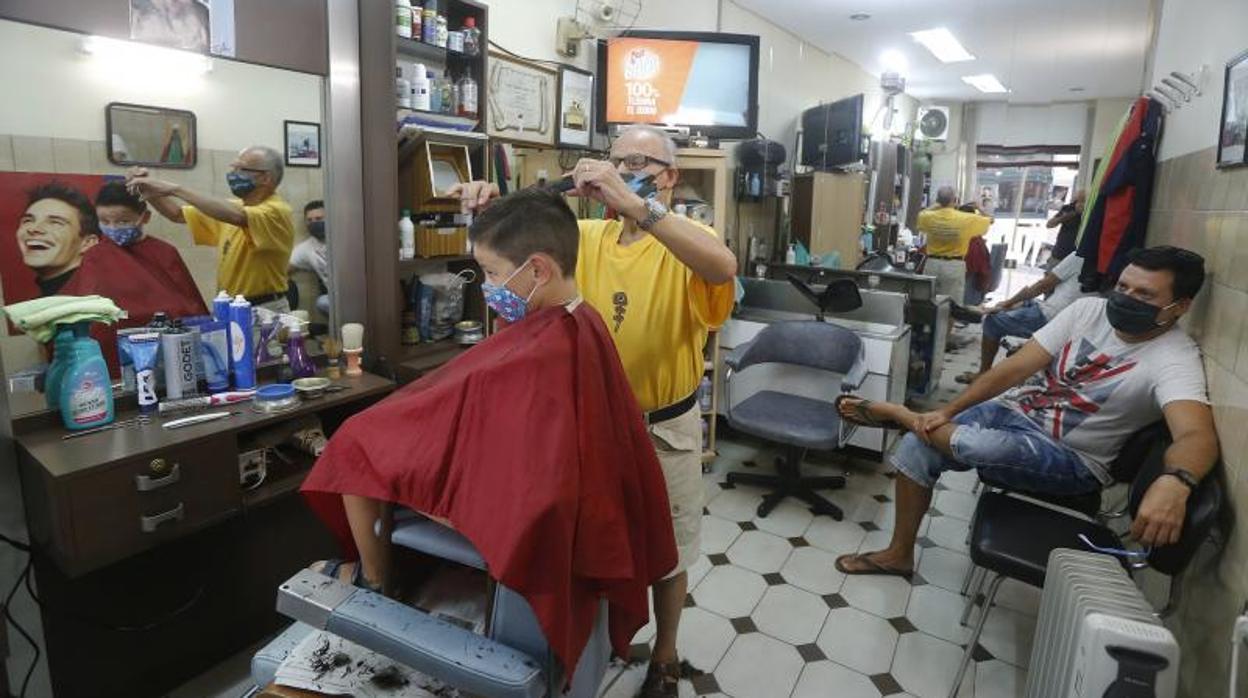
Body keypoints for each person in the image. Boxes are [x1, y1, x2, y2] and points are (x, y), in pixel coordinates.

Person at [301, 188, 677, 686]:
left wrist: (441, 498)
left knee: (354, 443)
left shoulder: (546, 347)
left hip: (535, 510)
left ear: (538, 270)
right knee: (373, 439)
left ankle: (374, 580)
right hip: (565, 497)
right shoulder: (580, 321)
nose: (488, 286)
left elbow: (525, 463)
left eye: (494, 274)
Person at [450, 124, 737, 697]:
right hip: (593, 424)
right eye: (617, 159)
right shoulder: (588, 236)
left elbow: (722, 266)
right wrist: (484, 203)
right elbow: (522, 247)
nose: (625, 167)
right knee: (604, 540)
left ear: (670, 176)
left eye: (641, 162)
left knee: (669, 550)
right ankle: (608, 639)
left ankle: (666, 654)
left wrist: (636, 203)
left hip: (664, 427)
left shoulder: (687, 238)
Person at [834, 246, 1218, 578]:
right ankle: (899, 555)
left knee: (978, 447)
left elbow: (1196, 436)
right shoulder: (1088, 311)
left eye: (1144, 295)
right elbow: (1015, 369)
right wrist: (948, 410)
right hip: (1015, 411)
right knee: (918, 449)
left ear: (1179, 307)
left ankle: (903, 417)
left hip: (1071, 458)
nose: (1126, 298)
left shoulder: (1174, 358)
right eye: (1123, 287)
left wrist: (1176, 481)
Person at [126, 145, 295, 313]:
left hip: (263, 309)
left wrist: (175, 189)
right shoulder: (234, 208)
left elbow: (237, 216)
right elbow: (176, 214)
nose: (233, 174)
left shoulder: (276, 211)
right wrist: (147, 189)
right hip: (229, 306)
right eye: (233, 168)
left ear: (265, 178)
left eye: (241, 169)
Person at [955, 252, 1089, 384]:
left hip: (1052, 316)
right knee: (1020, 303)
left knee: (992, 322)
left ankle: (983, 373)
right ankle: (998, 310)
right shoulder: (1105, 261)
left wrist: (1008, 302)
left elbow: (1042, 285)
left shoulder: (1080, 256)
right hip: (1073, 317)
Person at [15, 183, 98, 296]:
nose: (34, 229)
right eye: (28, 220)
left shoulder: (100, 300)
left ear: (87, 243)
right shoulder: (46, 300)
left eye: (55, 222)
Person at [288, 200, 330, 315]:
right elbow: (283, 269)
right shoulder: (307, 248)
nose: (314, 223)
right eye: (309, 220)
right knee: (322, 302)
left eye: (319, 219)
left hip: (361, 294)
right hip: (335, 299)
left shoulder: (348, 236)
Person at [1048, 189, 1088, 262]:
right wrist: (1073, 213)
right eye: (1080, 200)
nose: (1081, 203)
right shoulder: (1068, 208)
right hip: (1060, 253)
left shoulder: (1091, 212)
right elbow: (1049, 224)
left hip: (1078, 257)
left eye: (1084, 201)